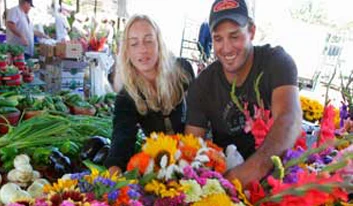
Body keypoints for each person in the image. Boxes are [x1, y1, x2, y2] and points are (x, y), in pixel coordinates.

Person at [185, 0, 302, 188]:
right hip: (226, 183)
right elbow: (191, 148)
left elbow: (290, 118)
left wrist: (252, 169)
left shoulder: (277, 62)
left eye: (234, 36)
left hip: (280, 178)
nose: (227, 48)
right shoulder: (202, 85)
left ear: (252, 32)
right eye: (218, 38)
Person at [104, 14, 195, 175]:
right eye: (134, 43)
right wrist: (113, 173)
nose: (143, 49)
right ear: (127, 51)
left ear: (159, 43)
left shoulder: (182, 70)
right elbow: (122, 138)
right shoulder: (127, 96)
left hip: (195, 156)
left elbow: (199, 115)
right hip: (161, 165)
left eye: (148, 40)